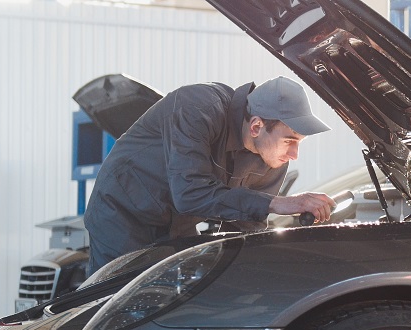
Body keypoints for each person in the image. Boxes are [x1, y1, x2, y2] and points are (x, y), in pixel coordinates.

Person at [83, 76, 336, 274]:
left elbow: (246, 225)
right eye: (290, 141)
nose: (294, 154)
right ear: (257, 126)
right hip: (122, 213)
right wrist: (280, 203)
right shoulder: (197, 106)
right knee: (114, 306)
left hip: (178, 223)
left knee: (182, 299)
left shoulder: (272, 156)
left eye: (299, 142)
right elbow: (190, 194)